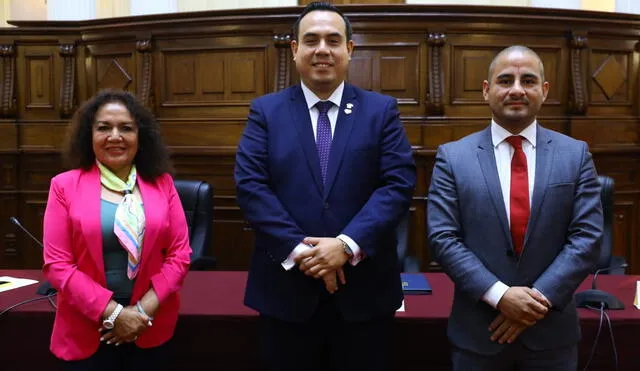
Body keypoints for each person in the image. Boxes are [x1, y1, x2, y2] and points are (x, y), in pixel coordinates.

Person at [234, 2, 416, 370]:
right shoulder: (266, 112)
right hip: (287, 296)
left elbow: (397, 185)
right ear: (294, 49)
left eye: (333, 40)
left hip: (364, 297)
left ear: (349, 49)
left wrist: (346, 246)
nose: (322, 49)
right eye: (311, 40)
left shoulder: (381, 111)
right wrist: (307, 254)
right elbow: (251, 186)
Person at [427, 45, 603, 370]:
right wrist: (501, 296)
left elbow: (588, 237)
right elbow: (443, 238)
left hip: (551, 336)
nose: (517, 89)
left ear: (544, 91)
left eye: (529, 80)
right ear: (486, 90)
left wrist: (537, 301)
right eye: (505, 80)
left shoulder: (575, 155)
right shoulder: (453, 158)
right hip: (479, 335)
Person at [42, 90, 192, 371]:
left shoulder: (163, 184)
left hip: (149, 324)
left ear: (140, 136)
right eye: (103, 128)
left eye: (126, 128)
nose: (115, 136)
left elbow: (179, 254)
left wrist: (140, 312)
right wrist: (115, 314)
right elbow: (57, 265)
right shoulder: (64, 186)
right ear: (89, 135)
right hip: (87, 325)